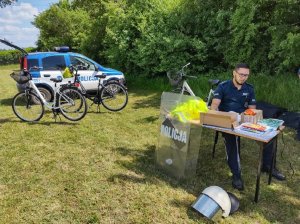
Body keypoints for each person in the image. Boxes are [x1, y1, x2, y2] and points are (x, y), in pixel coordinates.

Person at [211, 63, 286, 191]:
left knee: (270, 136)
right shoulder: (223, 86)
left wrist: (249, 118)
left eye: (246, 75)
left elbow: (252, 110)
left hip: (244, 120)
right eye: (241, 74)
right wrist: (226, 116)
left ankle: (268, 166)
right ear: (234, 73)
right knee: (232, 140)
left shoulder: (249, 88)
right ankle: (236, 174)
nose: (243, 78)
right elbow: (214, 107)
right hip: (228, 122)